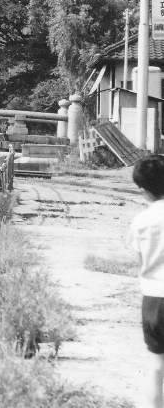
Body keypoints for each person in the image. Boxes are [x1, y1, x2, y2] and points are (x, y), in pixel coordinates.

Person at [128, 154, 164, 408]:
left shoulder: (141, 221)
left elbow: (138, 257)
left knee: (157, 365)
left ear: (143, 191)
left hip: (153, 300)